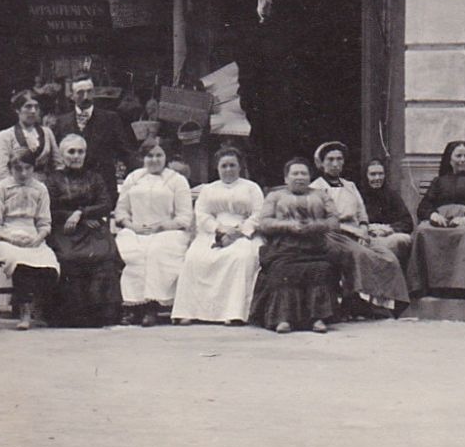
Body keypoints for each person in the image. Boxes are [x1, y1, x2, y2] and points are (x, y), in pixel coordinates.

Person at [312, 142, 410, 317]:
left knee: (387, 256)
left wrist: (364, 229)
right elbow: (320, 219)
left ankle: (387, 303)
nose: (335, 164)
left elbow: (361, 213)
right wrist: (351, 231)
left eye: (339, 159)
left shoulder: (350, 185)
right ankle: (360, 302)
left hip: (357, 232)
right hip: (333, 235)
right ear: (321, 163)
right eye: (330, 159)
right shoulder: (316, 188)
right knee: (361, 255)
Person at [250, 158, 346, 334]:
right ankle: (283, 318)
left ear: (310, 177)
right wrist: (288, 226)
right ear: (286, 178)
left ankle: (317, 318)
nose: (299, 177)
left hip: (315, 247)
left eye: (304, 173)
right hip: (284, 247)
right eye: (295, 173)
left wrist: (314, 226)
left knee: (321, 269)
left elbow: (334, 221)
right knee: (282, 270)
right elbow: (264, 222)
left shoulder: (321, 195)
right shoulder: (275, 196)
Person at [172, 145, 263, 325]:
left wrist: (239, 231)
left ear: (240, 167)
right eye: (224, 166)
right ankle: (190, 311)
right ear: (217, 168)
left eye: (232, 165)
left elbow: (258, 214)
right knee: (195, 257)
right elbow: (202, 214)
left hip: (243, 233)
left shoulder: (252, 188)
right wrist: (219, 228)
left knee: (241, 257)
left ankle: (233, 312)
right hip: (213, 231)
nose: (228, 170)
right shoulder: (209, 189)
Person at [112, 137, 194, 326]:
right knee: (132, 252)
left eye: (159, 155)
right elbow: (121, 210)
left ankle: (152, 306)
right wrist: (132, 226)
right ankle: (132, 307)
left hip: (168, 231)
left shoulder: (177, 180)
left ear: (166, 157)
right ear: (143, 157)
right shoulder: (134, 178)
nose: (154, 160)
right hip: (136, 229)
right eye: (150, 155)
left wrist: (161, 226)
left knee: (156, 251)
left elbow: (184, 217)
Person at [44, 133, 123, 328]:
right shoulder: (53, 180)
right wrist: (76, 217)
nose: (76, 156)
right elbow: (50, 208)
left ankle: (103, 314)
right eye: (71, 152)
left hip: (92, 227)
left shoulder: (94, 178)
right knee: (69, 257)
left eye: (81, 152)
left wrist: (81, 213)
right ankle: (72, 315)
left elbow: (106, 203)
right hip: (65, 230)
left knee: (106, 254)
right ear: (62, 155)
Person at [0, 148, 59, 330]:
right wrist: (11, 239)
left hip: (33, 237)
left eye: (27, 168)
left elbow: (44, 222)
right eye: (18, 169)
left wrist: (38, 238)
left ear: (33, 168)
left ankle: (38, 309)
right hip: (5, 237)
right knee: (20, 262)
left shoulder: (40, 189)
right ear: (10, 169)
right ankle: (23, 312)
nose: (23, 173)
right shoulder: (1, 188)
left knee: (50, 265)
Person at [408, 140, 465, 297]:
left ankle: (460, 286)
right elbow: (424, 206)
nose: (463, 160)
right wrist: (433, 215)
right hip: (443, 220)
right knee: (422, 231)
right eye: (458, 156)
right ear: (450, 159)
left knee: (464, 235)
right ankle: (425, 285)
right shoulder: (439, 181)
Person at [54, 72, 138, 188]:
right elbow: (56, 157)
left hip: (104, 186)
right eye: (80, 93)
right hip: (72, 188)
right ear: (72, 96)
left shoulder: (110, 119)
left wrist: (141, 176)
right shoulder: (61, 122)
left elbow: (126, 153)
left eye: (89, 92)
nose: (86, 97)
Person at [0, 89, 61, 184]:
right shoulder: (6, 136)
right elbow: (0, 173)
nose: (33, 111)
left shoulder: (47, 133)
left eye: (36, 107)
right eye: (28, 107)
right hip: (17, 189)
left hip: (45, 188)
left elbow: (58, 164)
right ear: (17, 110)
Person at [360, 158, 415, 268]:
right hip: (367, 236)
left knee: (403, 240)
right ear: (366, 176)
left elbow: (407, 222)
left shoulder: (392, 195)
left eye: (381, 174)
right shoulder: (358, 195)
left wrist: (388, 229)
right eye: (373, 174)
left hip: (388, 236)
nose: (377, 178)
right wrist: (368, 228)